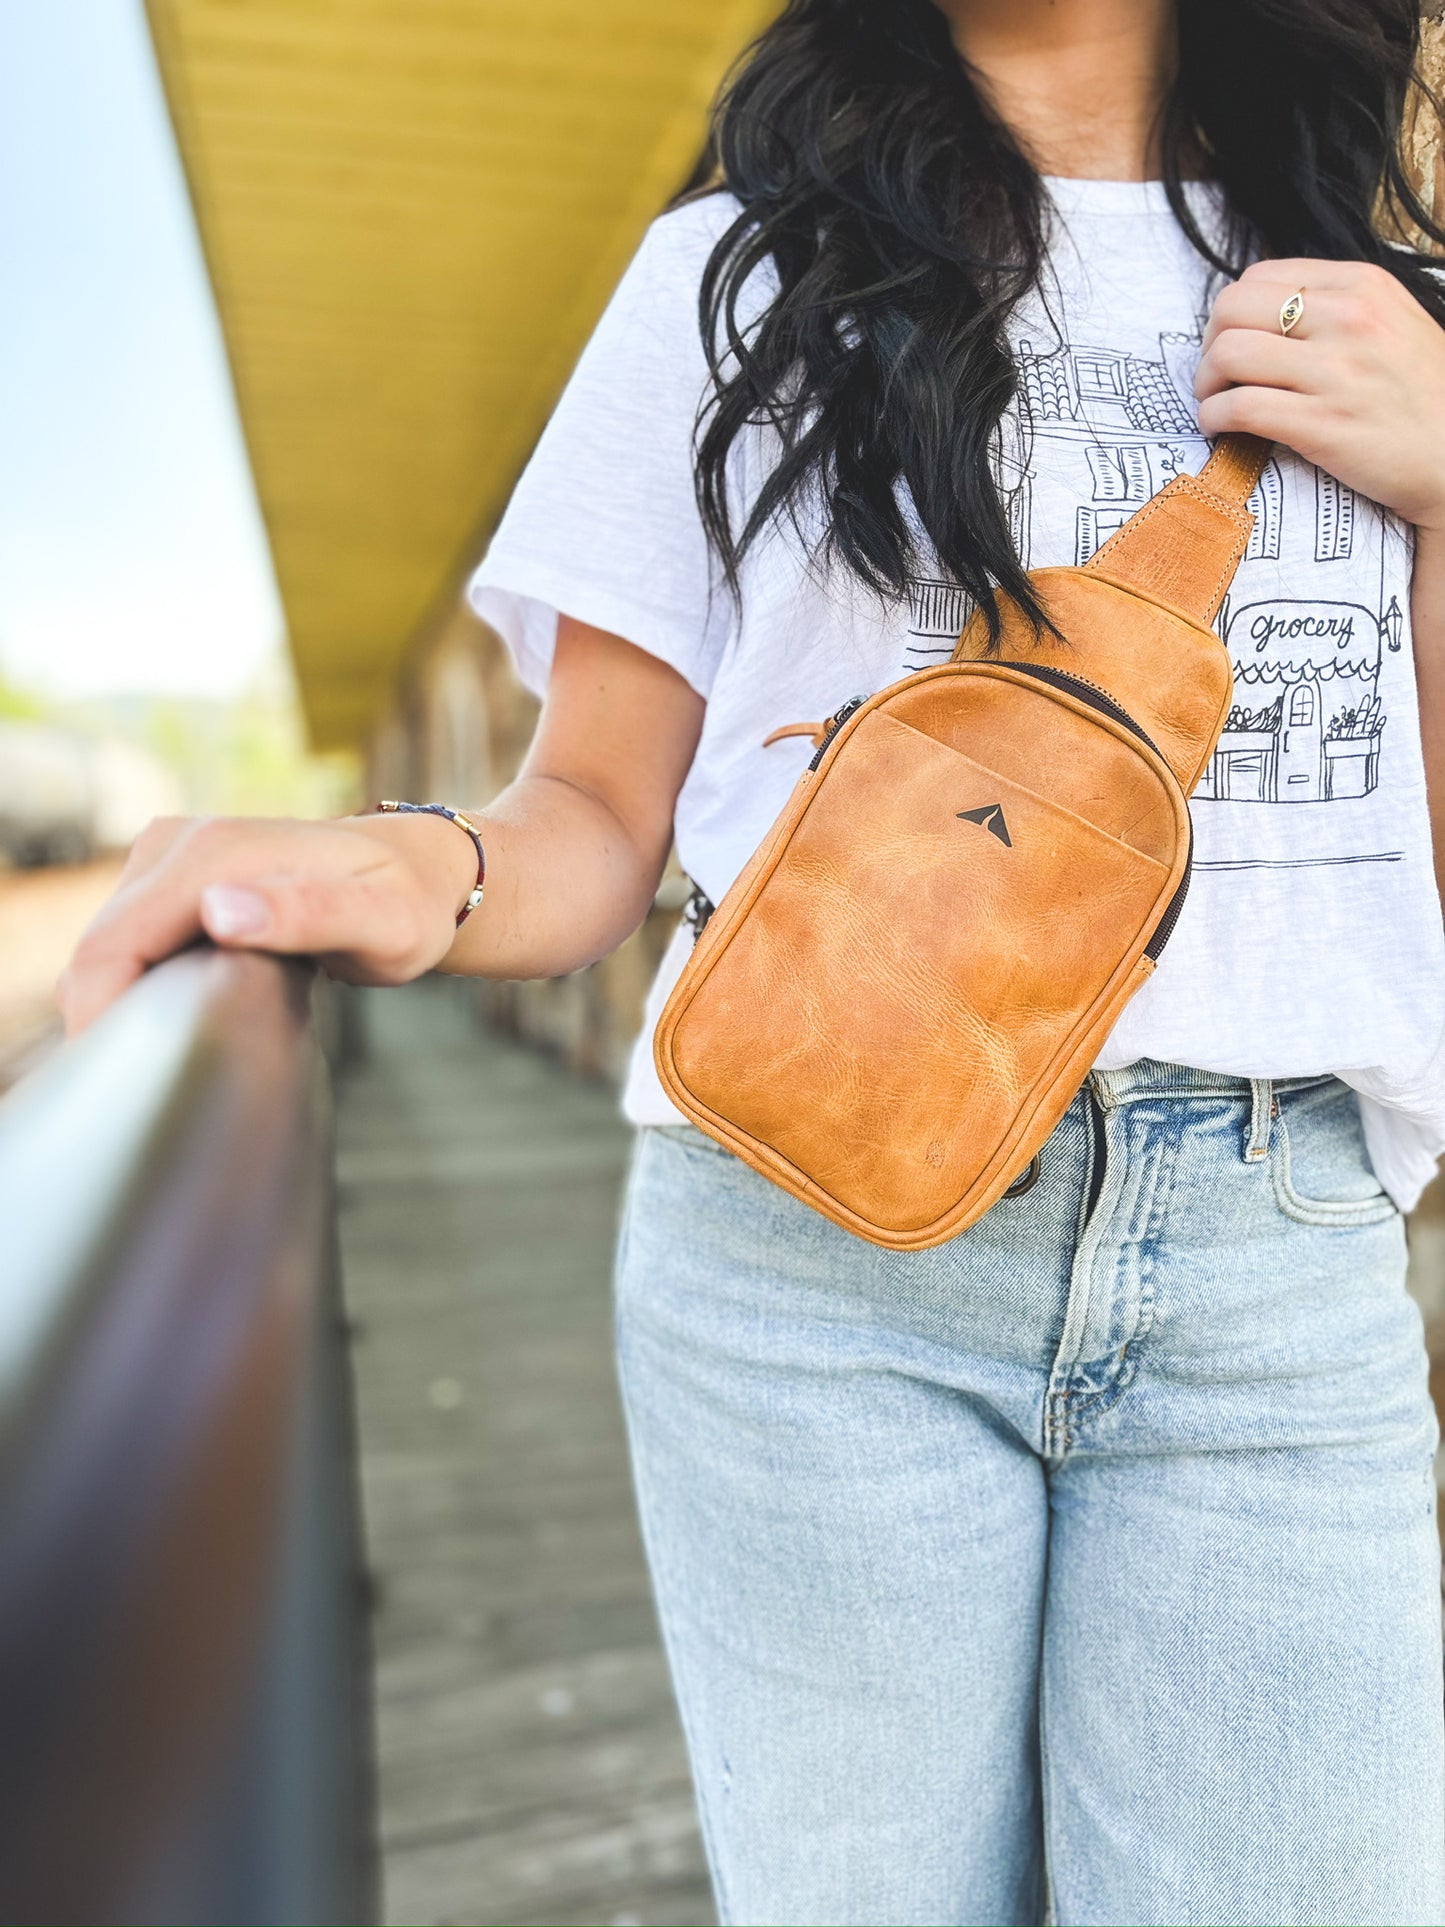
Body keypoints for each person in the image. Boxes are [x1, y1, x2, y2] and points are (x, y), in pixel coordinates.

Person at [60, 1, 1445, 1919]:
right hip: (806, 1273)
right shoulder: (735, 271)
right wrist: (403, 862)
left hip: (1270, 1274)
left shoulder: (1392, 312)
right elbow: (592, 825)